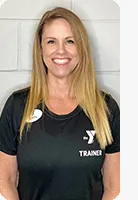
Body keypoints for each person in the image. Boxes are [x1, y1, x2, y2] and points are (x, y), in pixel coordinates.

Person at [0, 6, 120, 200]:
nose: (61, 50)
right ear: (41, 49)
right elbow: (5, 181)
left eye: (70, 41)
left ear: (81, 48)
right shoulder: (17, 106)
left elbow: (114, 186)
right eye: (51, 41)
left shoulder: (106, 108)